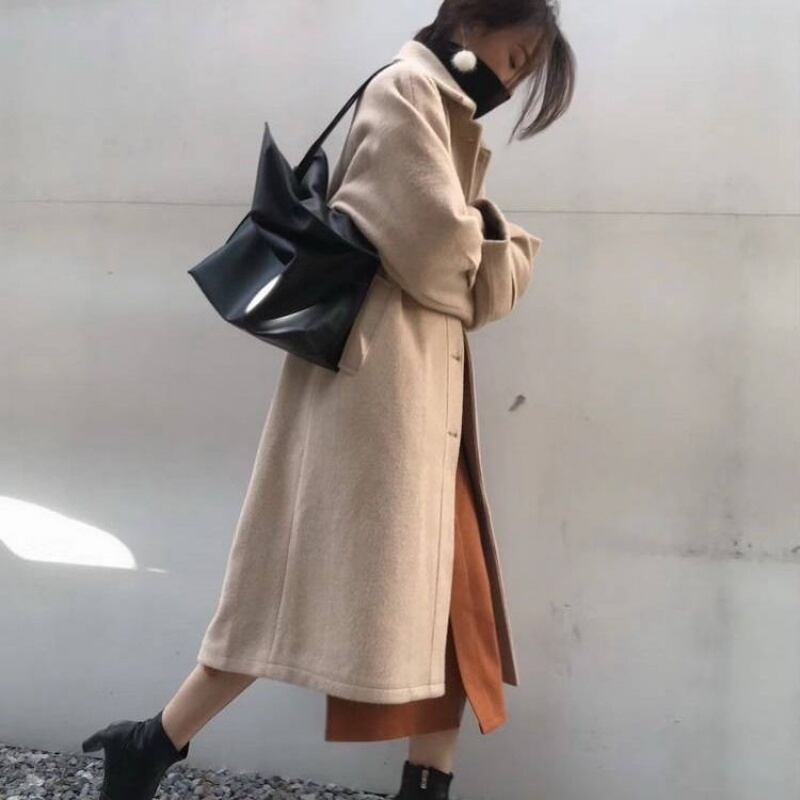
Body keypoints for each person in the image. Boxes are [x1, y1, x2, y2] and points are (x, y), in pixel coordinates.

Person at [80, 2, 575, 799]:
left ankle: (419, 784)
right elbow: (440, 258)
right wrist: (500, 242)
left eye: (524, 72)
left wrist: (476, 235)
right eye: (515, 59)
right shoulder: (405, 92)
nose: (513, 85)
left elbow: (448, 259)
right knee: (279, 599)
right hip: (377, 400)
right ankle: (150, 742)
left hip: (421, 402)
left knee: (457, 612)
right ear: (471, 22)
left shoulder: (437, 108)